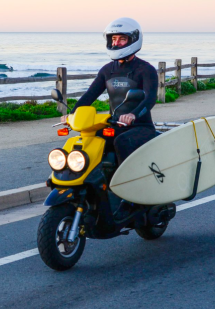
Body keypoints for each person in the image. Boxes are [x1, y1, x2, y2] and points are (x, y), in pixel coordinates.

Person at [61, 17, 158, 219]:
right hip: (116, 124)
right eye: (114, 39)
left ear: (133, 39)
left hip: (140, 127)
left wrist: (133, 114)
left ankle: (130, 196)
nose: (116, 43)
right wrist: (72, 114)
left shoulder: (145, 69)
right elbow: (89, 96)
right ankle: (95, 186)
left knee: (122, 141)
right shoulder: (107, 70)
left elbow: (149, 99)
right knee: (89, 140)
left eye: (121, 39)